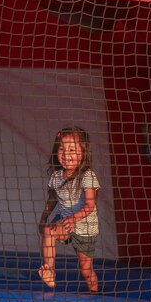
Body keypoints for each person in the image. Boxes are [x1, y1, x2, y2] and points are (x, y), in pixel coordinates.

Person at [38, 126, 100, 293]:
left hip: (85, 227)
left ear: (83, 153)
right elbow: (52, 199)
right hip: (65, 221)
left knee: (86, 270)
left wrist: (73, 218)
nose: (66, 155)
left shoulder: (87, 176)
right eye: (61, 150)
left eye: (72, 150)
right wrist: (44, 218)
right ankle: (49, 272)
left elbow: (90, 205)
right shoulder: (56, 177)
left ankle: (94, 293)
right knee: (49, 231)